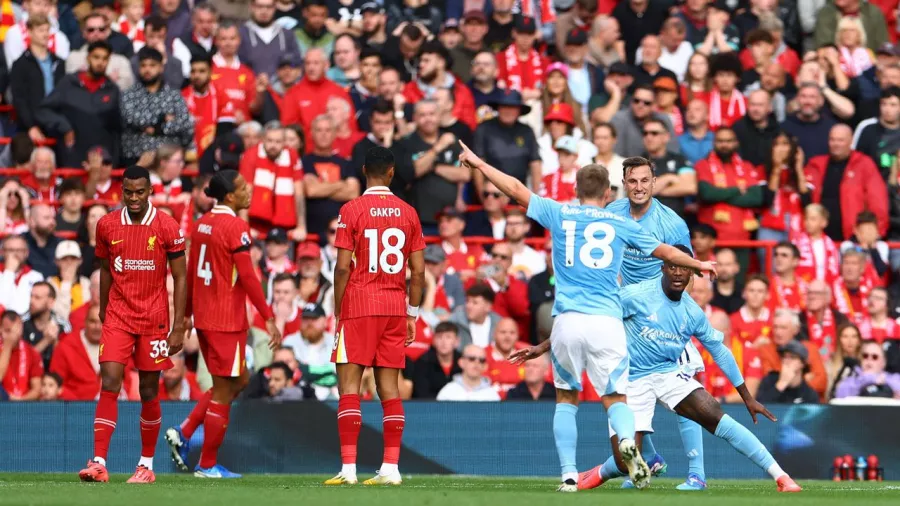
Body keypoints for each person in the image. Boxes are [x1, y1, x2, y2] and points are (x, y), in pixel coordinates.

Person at [458, 141, 715, 491]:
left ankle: (567, 474)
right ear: (609, 193)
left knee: (567, 399)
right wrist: (699, 263)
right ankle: (628, 443)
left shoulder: (560, 213)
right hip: (607, 322)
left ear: (576, 190)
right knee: (616, 400)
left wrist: (479, 164)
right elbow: (666, 251)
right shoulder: (620, 223)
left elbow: (516, 189)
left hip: (566, 321)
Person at [520, 245, 800, 492]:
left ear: (693, 273)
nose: (678, 273)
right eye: (673, 266)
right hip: (631, 380)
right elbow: (589, 317)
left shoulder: (693, 312)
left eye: (685, 267)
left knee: (714, 414)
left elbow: (721, 352)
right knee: (622, 461)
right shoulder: (636, 295)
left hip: (668, 373)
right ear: (663, 268)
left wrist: (747, 397)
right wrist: (542, 347)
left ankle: (781, 477)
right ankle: (600, 473)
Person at [165, 170, 282, 478]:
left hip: (205, 318)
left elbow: (190, 273)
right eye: (243, 187)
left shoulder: (201, 225)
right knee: (222, 391)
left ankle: (184, 431)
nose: (249, 191)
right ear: (229, 196)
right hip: (226, 320)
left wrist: (187, 315)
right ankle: (206, 465)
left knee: (237, 381)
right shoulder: (236, 227)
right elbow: (247, 276)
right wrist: (268, 316)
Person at [78, 165, 187, 484]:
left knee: (149, 390)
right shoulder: (107, 224)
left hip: (153, 319)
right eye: (129, 192)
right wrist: (102, 308)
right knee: (110, 380)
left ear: (150, 191)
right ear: (121, 191)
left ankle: (146, 465)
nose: (134, 198)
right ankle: (98, 461)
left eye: (140, 192)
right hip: (118, 316)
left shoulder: (167, 225)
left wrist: (178, 324)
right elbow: (106, 268)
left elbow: (180, 277)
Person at [324, 147, 425, 486]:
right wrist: (412, 313)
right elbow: (419, 271)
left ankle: (349, 470)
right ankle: (391, 469)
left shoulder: (351, 210)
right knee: (390, 390)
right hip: (395, 307)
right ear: (392, 173)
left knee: (349, 388)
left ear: (365, 170)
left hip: (360, 305)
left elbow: (341, 268)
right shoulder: (409, 212)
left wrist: (340, 310)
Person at [605, 156, 705, 490]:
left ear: (654, 182)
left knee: (684, 392)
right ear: (624, 182)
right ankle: (650, 458)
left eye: (645, 181)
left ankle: (697, 474)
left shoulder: (672, 223)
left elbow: (687, 268)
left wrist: (676, 313)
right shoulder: (612, 214)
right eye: (632, 181)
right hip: (629, 316)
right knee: (623, 391)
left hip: (663, 314)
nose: (638, 187)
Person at [36, 40, 123, 168]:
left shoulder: (112, 90)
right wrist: (64, 126)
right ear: (88, 58)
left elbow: (117, 127)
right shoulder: (69, 83)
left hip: (102, 160)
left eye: (105, 59)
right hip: (72, 157)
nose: (100, 62)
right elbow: (43, 110)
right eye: (96, 57)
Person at [120, 47, 193, 165]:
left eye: (152, 65)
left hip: (169, 158)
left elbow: (184, 123)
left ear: (161, 67)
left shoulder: (174, 95)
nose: (147, 69)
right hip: (136, 156)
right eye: (143, 66)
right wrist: (163, 118)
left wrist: (157, 128)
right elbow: (131, 118)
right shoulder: (128, 94)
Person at [755, 340, 820, 404]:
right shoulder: (769, 380)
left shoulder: (809, 394)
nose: (787, 361)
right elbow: (758, 409)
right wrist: (781, 384)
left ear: (802, 363)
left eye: (792, 357)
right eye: (784, 357)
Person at [410, 321, 462, 399]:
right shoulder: (422, 363)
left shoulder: (463, 362)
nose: (443, 342)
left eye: (448, 337)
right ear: (434, 340)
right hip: (430, 407)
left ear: (457, 341)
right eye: (439, 337)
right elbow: (421, 394)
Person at [0, 311, 43, 401]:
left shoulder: (32, 352)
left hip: (25, 406)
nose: (11, 335)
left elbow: (36, 389)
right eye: (7, 331)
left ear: (20, 329)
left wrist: (20, 401)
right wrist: (7, 346)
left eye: (13, 331)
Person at [834, 340, 900, 399]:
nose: (869, 359)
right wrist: (869, 379)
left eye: (875, 357)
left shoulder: (893, 378)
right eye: (865, 356)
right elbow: (840, 394)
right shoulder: (852, 380)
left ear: (883, 362)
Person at [435, 344, 501, 401]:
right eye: (471, 358)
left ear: (485, 366)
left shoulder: (492, 395)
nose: (476, 363)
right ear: (461, 362)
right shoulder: (448, 392)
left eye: (481, 360)